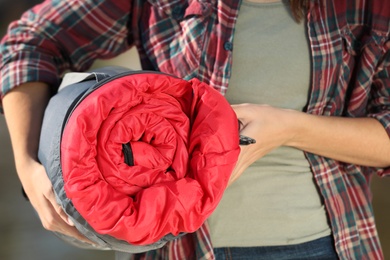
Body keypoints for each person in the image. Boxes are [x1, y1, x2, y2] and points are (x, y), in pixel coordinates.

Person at [1, 0, 389, 259]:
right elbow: (28, 42)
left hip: (324, 244)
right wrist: (27, 166)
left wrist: (290, 129)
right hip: (180, 248)